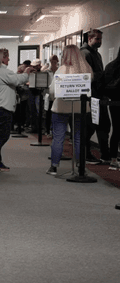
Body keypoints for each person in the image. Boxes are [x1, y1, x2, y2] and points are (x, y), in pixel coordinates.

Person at [0, 48, 35, 172]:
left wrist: (21, 73)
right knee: (3, 135)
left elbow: (13, 79)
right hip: (1, 107)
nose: (9, 59)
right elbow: (17, 80)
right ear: (1, 58)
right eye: (7, 57)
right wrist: (26, 72)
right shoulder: (0, 72)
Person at [46, 45, 93, 175]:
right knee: (78, 138)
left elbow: (53, 91)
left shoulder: (61, 70)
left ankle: (54, 167)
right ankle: (80, 166)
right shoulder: (85, 69)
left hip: (61, 108)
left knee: (58, 137)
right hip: (80, 109)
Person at [80, 29, 109, 164]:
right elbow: (86, 77)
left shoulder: (96, 54)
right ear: (90, 39)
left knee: (103, 125)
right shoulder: (84, 53)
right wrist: (101, 75)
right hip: (90, 96)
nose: (99, 42)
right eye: (97, 39)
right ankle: (86, 153)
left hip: (98, 95)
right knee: (90, 126)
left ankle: (105, 154)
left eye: (100, 39)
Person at [103, 48, 120, 170]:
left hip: (113, 102)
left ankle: (113, 158)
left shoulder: (110, 66)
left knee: (116, 129)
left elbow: (105, 84)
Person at [41, 55, 60, 135]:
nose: (53, 63)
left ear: (57, 62)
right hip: (48, 95)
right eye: (52, 61)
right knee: (47, 113)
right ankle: (47, 130)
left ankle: (54, 130)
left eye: (55, 62)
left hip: (57, 95)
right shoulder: (46, 72)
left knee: (56, 113)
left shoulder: (59, 71)